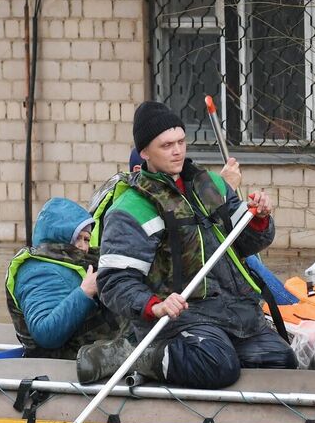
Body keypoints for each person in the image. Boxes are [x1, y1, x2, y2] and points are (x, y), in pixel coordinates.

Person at [95, 101, 296, 389]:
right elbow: (114, 282)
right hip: (179, 319)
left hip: (232, 310)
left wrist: (259, 219)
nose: (177, 151)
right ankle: (136, 355)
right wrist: (155, 306)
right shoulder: (130, 208)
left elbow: (248, 243)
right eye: (166, 145)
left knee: (281, 360)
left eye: (180, 141)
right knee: (216, 364)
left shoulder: (212, 184)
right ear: (144, 152)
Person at [5, 196, 127, 357]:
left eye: (87, 239)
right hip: (59, 364)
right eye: (78, 238)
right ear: (59, 235)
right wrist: (85, 292)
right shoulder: (38, 272)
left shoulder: (71, 263)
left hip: (89, 353)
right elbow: (45, 333)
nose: (84, 247)